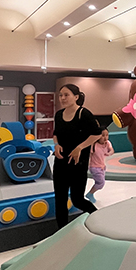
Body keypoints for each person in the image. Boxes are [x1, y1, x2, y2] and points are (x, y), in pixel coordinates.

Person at [52, 84, 102, 228]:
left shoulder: (84, 114)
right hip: (60, 162)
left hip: (78, 163)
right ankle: (61, 231)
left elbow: (97, 134)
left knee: (77, 199)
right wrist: (56, 144)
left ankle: (99, 218)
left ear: (76, 97)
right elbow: (56, 134)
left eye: (66, 95)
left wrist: (79, 147)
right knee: (60, 199)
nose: (62, 98)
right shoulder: (59, 115)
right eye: (61, 95)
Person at [86, 127, 113, 203]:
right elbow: (88, 155)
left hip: (102, 167)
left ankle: (90, 194)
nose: (105, 137)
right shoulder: (94, 145)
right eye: (102, 135)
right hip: (94, 167)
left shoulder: (107, 143)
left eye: (107, 135)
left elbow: (111, 150)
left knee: (100, 183)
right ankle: (90, 194)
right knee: (101, 183)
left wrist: (109, 153)